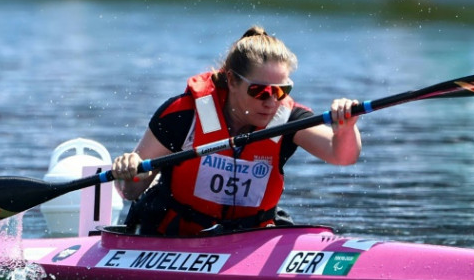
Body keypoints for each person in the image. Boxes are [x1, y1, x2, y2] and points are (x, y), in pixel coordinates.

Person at [110, 25, 361, 236]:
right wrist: (130, 172)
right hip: (176, 236)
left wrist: (347, 128)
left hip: (250, 237)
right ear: (231, 80)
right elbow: (130, 191)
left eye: (281, 91)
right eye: (260, 91)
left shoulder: (288, 119)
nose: (271, 101)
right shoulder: (182, 115)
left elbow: (342, 156)